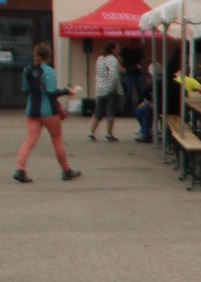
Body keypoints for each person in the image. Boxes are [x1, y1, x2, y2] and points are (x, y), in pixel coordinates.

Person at [13, 43, 83, 183]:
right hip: (48, 112)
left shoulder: (27, 70)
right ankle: (66, 170)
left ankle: (20, 169)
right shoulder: (48, 71)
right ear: (49, 56)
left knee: (30, 141)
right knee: (57, 141)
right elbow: (51, 92)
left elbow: (25, 90)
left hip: (32, 110)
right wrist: (67, 91)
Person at [88, 42, 123, 142]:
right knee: (110, 112)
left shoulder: (100, 59)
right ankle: (108, 134)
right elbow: (114, 75)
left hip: (99, 89)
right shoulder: (113, 60)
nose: (118, 50)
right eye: (117, 48)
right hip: (110, 89)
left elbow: (98, 73)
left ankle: (91, 133)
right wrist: (111, 88)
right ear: (112, 49)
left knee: (98, 111)